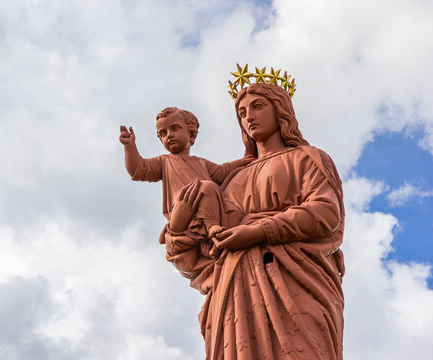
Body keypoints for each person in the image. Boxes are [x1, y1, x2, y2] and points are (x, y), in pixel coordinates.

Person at [164, 83, 345, 359]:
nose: (249, 116)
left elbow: (326, 213)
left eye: (258, 106)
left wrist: (260, 231)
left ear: (281, 110)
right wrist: (176, 229)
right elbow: (199, 259)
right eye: (242, 112)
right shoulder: (228, 182)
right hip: (234, 293)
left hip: (296, 282)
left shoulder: (306, 158)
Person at [119, 107, 250, 250]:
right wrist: (129, 146)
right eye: (163, 133)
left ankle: (215, 233)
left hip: (206, 203)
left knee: (224, 201)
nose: (169, 135)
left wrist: (245, 160)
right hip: (183, 208)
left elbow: (222, 171)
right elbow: (138, 169)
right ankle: (212, 226)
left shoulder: (200, 162)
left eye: (175, 128)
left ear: (191, 133)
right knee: (208, 186)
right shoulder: (164, 161)